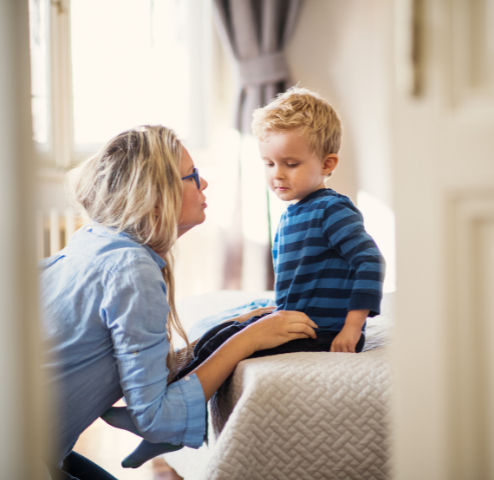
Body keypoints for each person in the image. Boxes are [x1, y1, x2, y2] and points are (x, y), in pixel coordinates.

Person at [109, 86, 386, 468]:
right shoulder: (296, 211)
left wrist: (352, 327)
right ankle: (160, 414)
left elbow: (370, 261)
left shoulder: (332, 210)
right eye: (269, 163)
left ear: (327, 164)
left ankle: (165, 429)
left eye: (291, 163)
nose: (277, 175)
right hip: (299, 317)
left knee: (229, 348)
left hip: (321, 330)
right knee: (217, 333)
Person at [40, 125, 318, 480]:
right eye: (193, 176)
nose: (204, 185)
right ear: (156, 196)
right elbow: (155, 416)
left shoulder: (93, 240)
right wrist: (250, 339)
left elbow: (141, 367)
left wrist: (232, 329)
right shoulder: (132, 269)